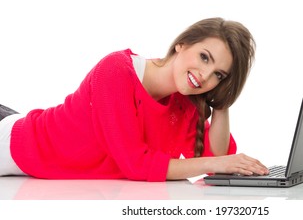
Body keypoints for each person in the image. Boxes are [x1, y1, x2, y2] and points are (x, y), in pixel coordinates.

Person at [0, 17, 269, 181]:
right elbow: (135, 163)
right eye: (204, 57)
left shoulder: (183, 103)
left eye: (218, 75)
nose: (205, 75)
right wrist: (216, 163)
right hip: (11, 143)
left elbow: (217, 159)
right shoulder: (117, 70)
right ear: (182, 44)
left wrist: (223, 101)